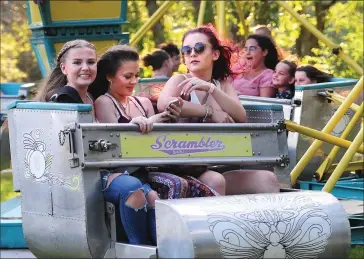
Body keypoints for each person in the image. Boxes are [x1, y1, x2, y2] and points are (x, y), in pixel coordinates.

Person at [158, 25, 279, 195]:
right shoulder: (179, 80)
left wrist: (211, 89)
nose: (192, 53)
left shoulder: (222, 85)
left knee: (268, 180)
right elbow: (165, 103)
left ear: (215, 54)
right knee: (215, 180)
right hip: (187, 167)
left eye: (199, 48)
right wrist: (210, 112)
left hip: (218, 163)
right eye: (186, 50)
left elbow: (240, 116)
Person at [35, 40, 97, 120]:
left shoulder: (90, 97)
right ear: (63, 68)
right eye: (77, 62)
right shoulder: (63, 99)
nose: (85, 68)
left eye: (91, 62)